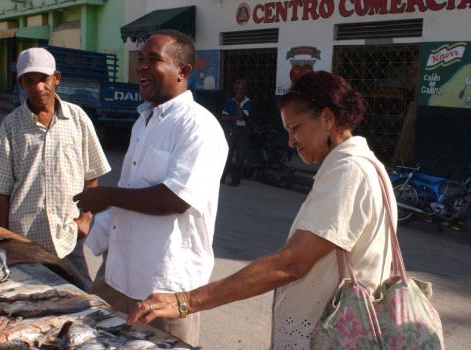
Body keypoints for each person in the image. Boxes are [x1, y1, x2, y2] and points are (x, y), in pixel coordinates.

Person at [128, 71, 395, 350]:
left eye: (296, 128)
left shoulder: (349, 170)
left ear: (327, 118)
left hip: (332, 338)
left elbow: (290, 264)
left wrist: (186, 301)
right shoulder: (364, 164)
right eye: (288, 131)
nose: (291, 141)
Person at [74, 30, 228, 346]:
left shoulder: (198, 126)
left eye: (153, 60)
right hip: (118, 275)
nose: (141, 67)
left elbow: (176, 199)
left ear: (183, 71)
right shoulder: (144, 120)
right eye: (140, 59)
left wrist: (107, 195)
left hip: (164, 288)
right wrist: (93, 226)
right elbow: (133, 188)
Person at [0, 48, 110, 291]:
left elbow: (91, 176)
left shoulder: (78, 119)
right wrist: (7, 239)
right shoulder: (11, 125)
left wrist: (84, 218)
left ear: (56, 78)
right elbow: (1, 189)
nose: (38, 87)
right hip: (25, 240)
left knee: (84, 301)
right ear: (20, 83)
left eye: (44, 79)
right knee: (29, 304)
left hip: (67, 237)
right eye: (30, 81)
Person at [220, 80, 252, 186]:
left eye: (242, 89)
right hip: (231, 130)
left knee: (240, 157)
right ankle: (222, 177)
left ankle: (235, 180)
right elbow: (224, 118)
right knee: (226, 155)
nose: (239, 91)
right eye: (237, 89)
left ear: (245, 90)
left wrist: (238, 104)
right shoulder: (230, 101)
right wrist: (235, 117)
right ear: (234, 89)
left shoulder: (248, 102)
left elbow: (242, 117)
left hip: (242, 132)